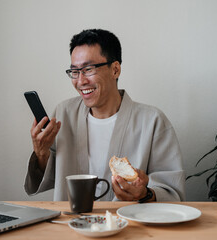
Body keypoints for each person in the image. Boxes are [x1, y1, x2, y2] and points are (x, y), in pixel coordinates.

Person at [24, 29, 185, 202]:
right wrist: (41, 154)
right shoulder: (63, 114)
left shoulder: (152, 121)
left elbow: (172, 192)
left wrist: (145, 194)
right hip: (72, 225)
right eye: (75, 71)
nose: (80, 81)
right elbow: (51, 177)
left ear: (115, 70)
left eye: (88, 69)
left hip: (129, 225)